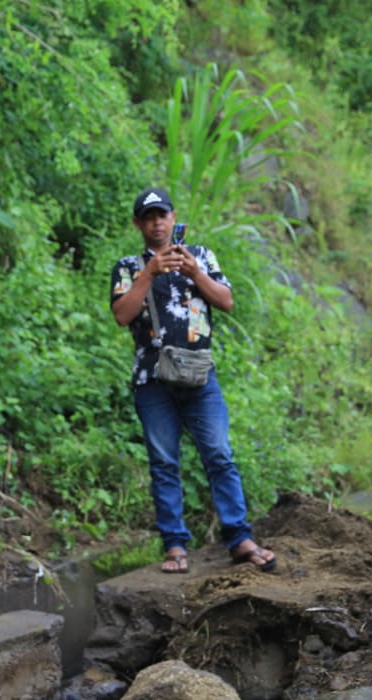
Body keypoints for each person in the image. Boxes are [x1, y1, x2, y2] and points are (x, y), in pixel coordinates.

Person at [110, 187, 277, 574]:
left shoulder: (200, 256)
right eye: (149, 217)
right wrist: (149, 273)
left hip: (200, 375)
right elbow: (122, 314)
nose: (157, 223)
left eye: (162, 215)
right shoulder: (128, 265)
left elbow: (226, 301)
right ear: (138, 224)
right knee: (164, 461)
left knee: (219, 454)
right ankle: (175, 546)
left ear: (174, 218)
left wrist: (194, 273)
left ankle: (239, 537)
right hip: (152, 378)